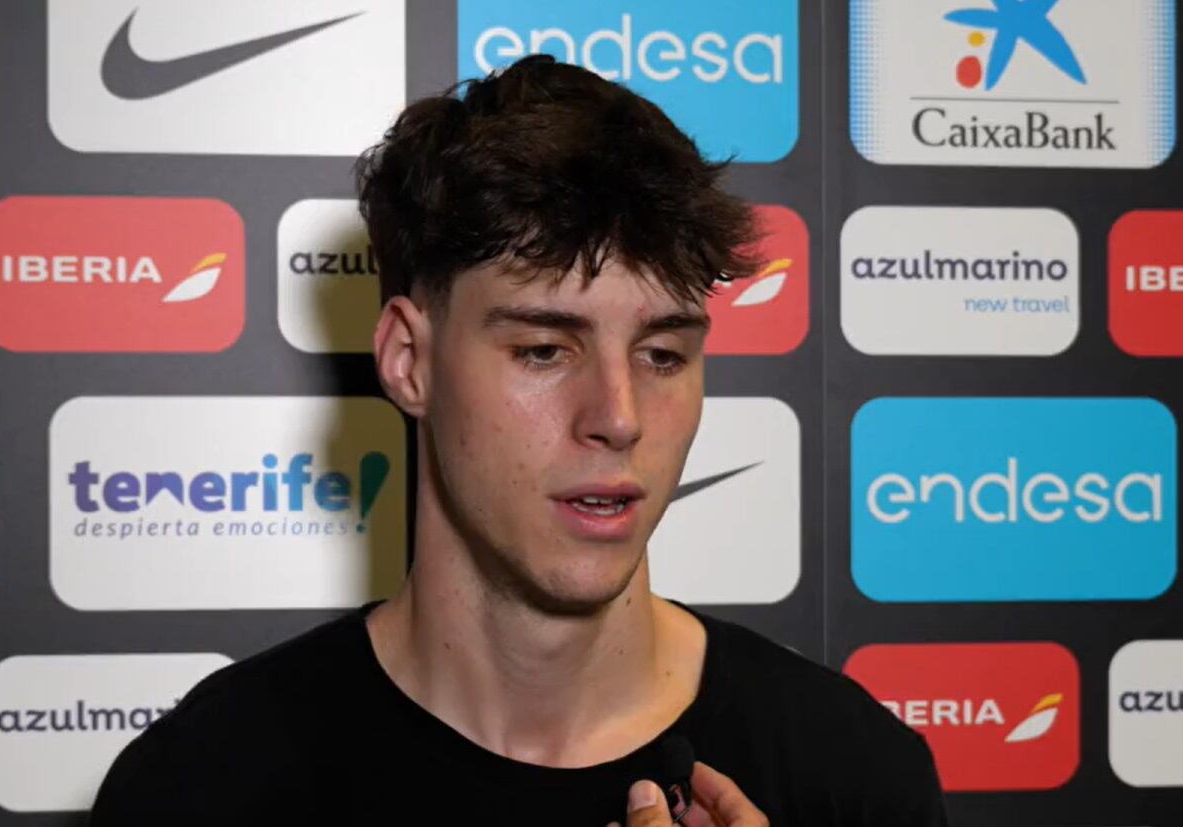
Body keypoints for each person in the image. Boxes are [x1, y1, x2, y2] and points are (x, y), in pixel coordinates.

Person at [91, 55, 948, 826]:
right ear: (408, 359)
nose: (618, 414)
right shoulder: (203, 786)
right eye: (544, 349)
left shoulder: (853, 773)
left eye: (661, 353)